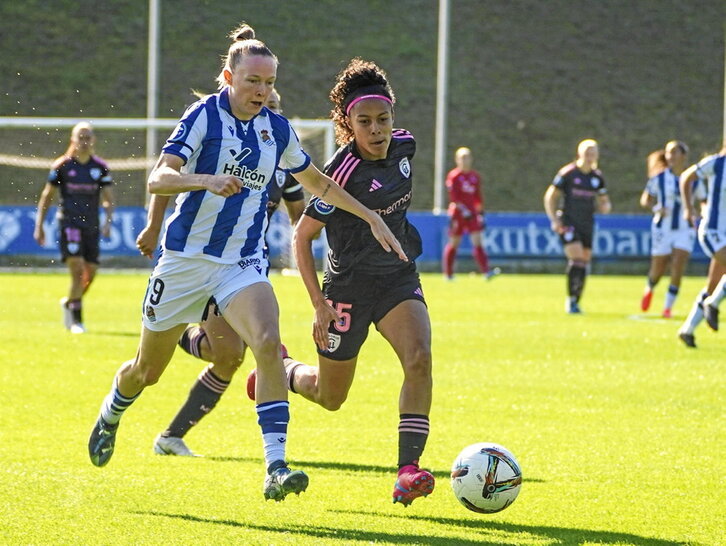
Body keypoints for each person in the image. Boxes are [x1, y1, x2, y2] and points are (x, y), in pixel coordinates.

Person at [87, 25, 406, 504]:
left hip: (241, 262)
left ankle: (276, 467)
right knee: (147, 371)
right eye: (253, 80)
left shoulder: (276, 130)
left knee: (266, 340)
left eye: (269, 82)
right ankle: (113, 410)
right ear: (228, 77)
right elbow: (159, 179)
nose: (262, 90)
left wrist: (368, 216)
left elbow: (317, 182)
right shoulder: (203, 117)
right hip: (184, 262)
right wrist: (206, 180)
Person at [247, 58, 435, 507]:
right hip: (345, 291)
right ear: (347, 125)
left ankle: (407, 471)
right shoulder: (341, 172)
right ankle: (285, 372)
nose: (377, 129)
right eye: (364, 121)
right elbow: (302, 236)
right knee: (330, 398)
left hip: (396, 279)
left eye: (383, 119)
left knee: (420, 358)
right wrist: (318, 304)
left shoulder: (405, 147)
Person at [135, 88, 306, 458]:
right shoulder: (218, 136)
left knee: (231, 356)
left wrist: (306, 246)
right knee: (194, 360)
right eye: (265, 104)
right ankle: (178, 330)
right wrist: (153, 225)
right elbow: (166, 177)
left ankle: (172, 436)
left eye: (275, 106)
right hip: (195, 257)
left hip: (241, 265)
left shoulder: (283, 168)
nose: (268, 112)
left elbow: (300, 216)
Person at [33, 122, 114, 334]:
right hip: (69, 224)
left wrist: (108, 222)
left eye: (88, 137)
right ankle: (77, 320)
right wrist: (39, 225)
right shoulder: (62, 166)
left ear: (93, 140)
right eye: (81, 137)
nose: (84, 141)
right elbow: (47, 196)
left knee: (91, 273)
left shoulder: (99, 168)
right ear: (73, 140)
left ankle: (70, 302)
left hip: (92, 226)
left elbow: (108, 199)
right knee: (78, 270)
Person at [544, 139, 612, 313]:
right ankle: (571, 301)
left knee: (585, 261)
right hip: (568, 222)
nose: (590, 157)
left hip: (587, 224)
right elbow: (551, 196)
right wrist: (554, 219)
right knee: (577, 259)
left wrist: (606, 206)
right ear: (579, 154)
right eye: (587, 153)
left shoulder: (597, 177)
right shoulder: (568, 173)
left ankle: (576, 299)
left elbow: (604, 200)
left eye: (593, 153)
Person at [639, 141, 698, 318]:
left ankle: (667, 307)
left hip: (685, 227)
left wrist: (700, 212)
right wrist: (657, 208)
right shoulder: (659, 178)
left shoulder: (695, 179)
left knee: (679, 263)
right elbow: (646, 200)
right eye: (668, 153)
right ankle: (650, 287)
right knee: (658, 267)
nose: (670, 156)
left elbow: (703, 199)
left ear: (683, 156)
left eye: (674, 152)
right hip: (663, 227)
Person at [677, 145, 726, 347]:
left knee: (715, 284)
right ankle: (712, 304)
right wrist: (689, 209)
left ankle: (687, 329)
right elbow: (686, 178)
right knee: (716, 292)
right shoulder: (716, 163)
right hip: (713, 231)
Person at [442, 147, 499, 280]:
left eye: (467, 157)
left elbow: (478, 197)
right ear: (457, 160)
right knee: (454, 242)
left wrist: (480, 213)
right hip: (458, 214)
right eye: (462, 157)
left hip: (472, 214)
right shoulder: (454, 176)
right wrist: (463, 210)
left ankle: (486, 272)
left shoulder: (475, 176)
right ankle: (448, 274)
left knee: (477, 241)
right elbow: (454, 198)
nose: (465, 160)